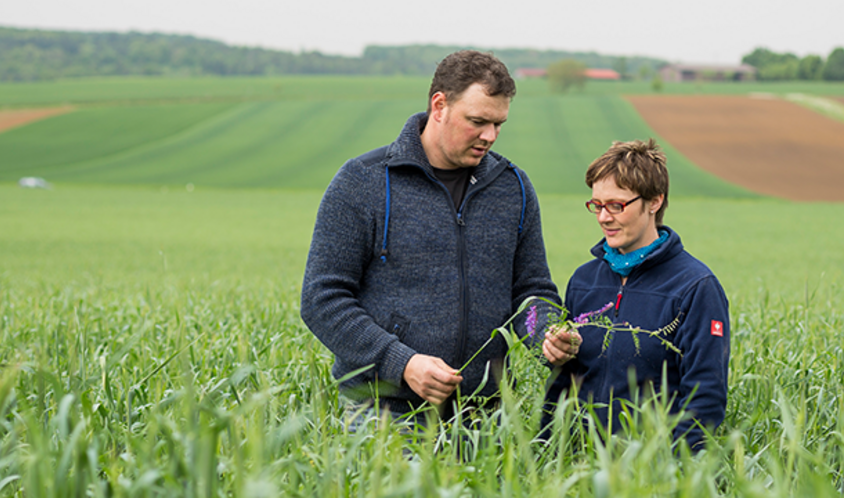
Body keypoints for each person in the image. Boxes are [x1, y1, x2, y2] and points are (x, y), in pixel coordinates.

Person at [300, 50, 560, 421]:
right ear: (439, 105)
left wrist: (547, 334)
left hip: (487, 412)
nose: (490, 136)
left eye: (499, 124)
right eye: (477, 121)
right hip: (383, 408)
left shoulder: (513, 188)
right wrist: (401, 363)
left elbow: (532, 290)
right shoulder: (363, 181)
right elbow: (321, 299)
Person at [542, 139, 730, 451]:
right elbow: (563, 384)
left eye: (616, 205)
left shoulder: (695, 287)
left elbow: (704, 396)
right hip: (581, 466)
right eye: (597, 205)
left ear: (654, 201)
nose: (604, 217)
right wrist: (546, 453)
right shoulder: (584, 281)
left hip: (652, 469)